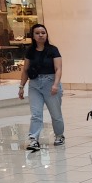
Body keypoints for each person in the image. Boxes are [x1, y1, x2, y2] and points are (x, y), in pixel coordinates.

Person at [18, 23, 64, 151]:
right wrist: (21, 86)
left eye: (43, 33)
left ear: (46, 34)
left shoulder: (53, 50)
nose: (40, 35)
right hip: (34, 85)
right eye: (37, 33)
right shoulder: (30, 51)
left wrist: (56, 84)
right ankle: (33, 139)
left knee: (55, 113)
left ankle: (59, 135)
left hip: (50, 82)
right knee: (36, 113)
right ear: (33, 36)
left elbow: (58, 68)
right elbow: (25, 69)